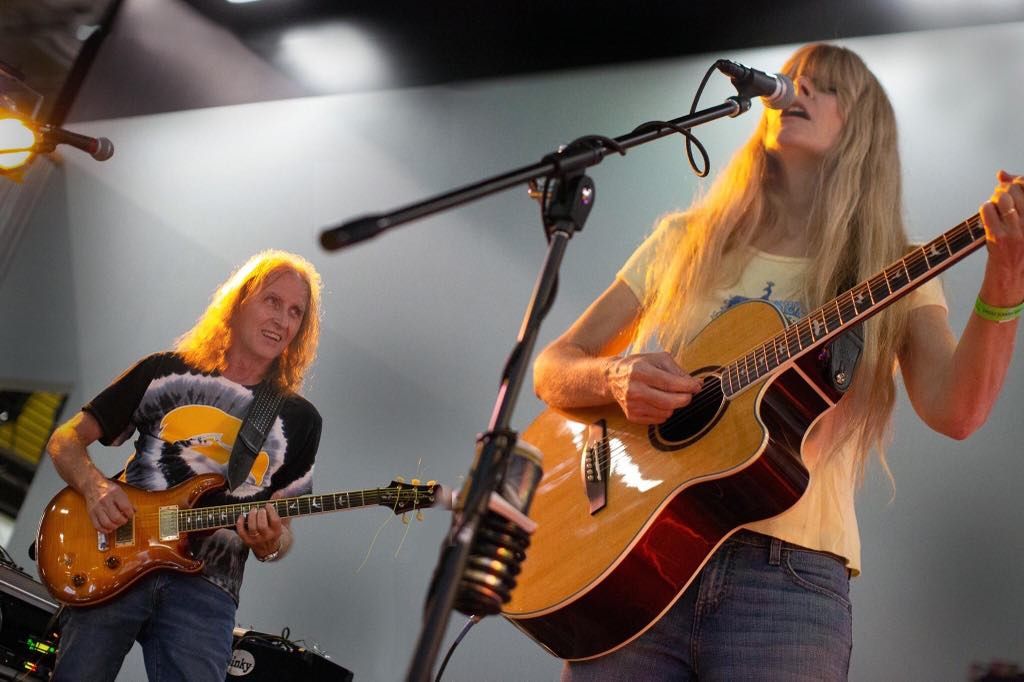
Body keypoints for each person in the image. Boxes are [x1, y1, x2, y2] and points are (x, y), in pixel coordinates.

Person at [533, 43, 1024, 680]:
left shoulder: (891, 268)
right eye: (790, 82)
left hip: (788, 582)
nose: (796, 91)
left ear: (863, 126)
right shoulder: (685, 241)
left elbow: (957, 411)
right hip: (641, 555)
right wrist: (613, 376)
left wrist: (1006, 281)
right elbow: (553, 366)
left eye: (825, 88)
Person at [45, 250, 324, 681]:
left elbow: (283, 535)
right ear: (240, 301)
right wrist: (96, 488)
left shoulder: (300, 420)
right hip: (116, 558)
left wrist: (270, 543)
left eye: (295, 313)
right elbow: (66, 440)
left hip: (209, 588)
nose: (282, 320)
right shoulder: (165, 371)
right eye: (273, 301)